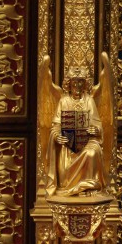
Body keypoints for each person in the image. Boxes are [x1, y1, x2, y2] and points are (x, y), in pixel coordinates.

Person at [46, 66, 106, 196]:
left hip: (87, 141)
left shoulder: (89, 101)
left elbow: (98, 125)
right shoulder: (64, 101)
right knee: (64, 160)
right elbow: (55, 127)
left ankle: (88, 187)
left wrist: (95, 130)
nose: (77, 85)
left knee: (92, 152)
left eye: (80, 82)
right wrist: (57, 136)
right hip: (68, 144)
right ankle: (67, 186)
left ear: (85, 84)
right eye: (74, 82)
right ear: (69, 83)